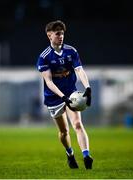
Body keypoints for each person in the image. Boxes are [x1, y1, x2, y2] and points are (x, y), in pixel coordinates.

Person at [36, 20, 93, 169]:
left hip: (71, 93)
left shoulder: (71, 51)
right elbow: (49, 81)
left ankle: (86, 156)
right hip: (54, 98)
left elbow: (79, 69)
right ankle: (70, 154)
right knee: (64, 131)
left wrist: (88, 87)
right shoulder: (44, 57)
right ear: (49, 35)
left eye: (62, 33)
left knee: (78, 124)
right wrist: (63, 97)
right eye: (57, 34)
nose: (60, 36)